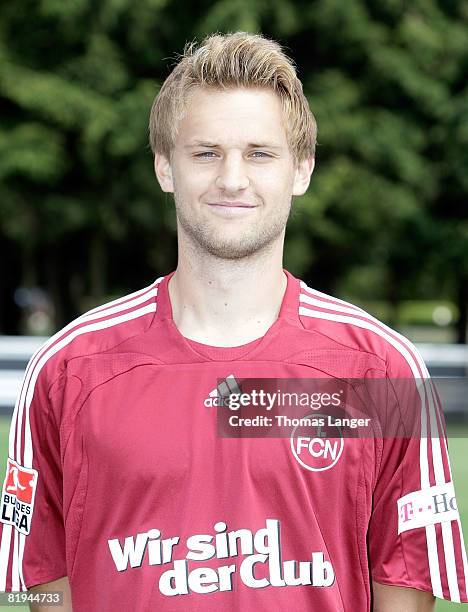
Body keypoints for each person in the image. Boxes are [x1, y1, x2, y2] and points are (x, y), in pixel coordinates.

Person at [0, 31, 466, 612]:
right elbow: (42, 580)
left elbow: (405, 584)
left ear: (301, 170)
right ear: (165, 167)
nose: (232, 178)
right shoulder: (70, 369)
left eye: (260, 153)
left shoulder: (381, 372)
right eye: (206, 152)